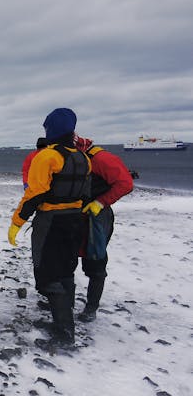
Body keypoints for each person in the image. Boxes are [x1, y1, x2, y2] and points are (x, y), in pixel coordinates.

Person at [8, 108, 91, 345]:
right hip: (75, 220)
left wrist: (17, 223)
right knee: (66, 269)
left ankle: (64, 333)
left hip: (51, 221)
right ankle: (62, 323)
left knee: (47, 273)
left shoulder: (46, 157)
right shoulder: (83, 157)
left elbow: (34, 194)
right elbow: (85, 194)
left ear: (51, 129)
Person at [74, 135, 134, 322]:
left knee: (96, 260)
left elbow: (125, 184)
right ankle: (64, 303)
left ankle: (91, 309)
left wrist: (100, 202)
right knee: (66, 259)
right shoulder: (72, 157)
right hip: (76, 216)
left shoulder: (101, 159)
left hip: (97, 218)